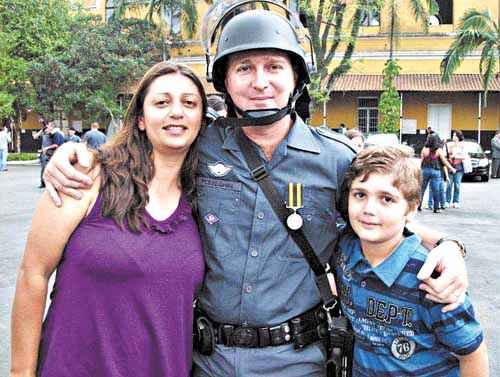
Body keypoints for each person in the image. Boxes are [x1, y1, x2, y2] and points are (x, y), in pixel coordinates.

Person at [43, 2, 468, 375]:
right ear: (225, 82)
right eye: (244, 68)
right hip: (207, 361)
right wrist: (77, 155)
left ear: (295, 78)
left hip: (298, 362)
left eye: (273, 67)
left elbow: (384, 218)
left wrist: (448, 245)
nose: (260, 81)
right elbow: (142, 156)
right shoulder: (199, 146)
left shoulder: (336, 160)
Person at [10, 62, 206, 377]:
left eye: (189, 103)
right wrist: (21, 373)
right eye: (161, 102)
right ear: (141, 119)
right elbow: (33, 275)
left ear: (200, 118)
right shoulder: (85, 177)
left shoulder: (206, 199)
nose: (176, 112)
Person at [334, 146, 488, 376]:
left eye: (386, 199)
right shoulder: (344, 249)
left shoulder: (434, 280)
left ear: (412, 208)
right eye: (360, 194)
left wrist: (451, 246)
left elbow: (472, 354)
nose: (368, 209)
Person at [419, 133, 455, 213]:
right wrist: (452, 168)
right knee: (436, 190)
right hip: (436, 171)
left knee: (422, 189)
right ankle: (436, 208)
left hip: (425, 170)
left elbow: (421, 161)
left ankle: (419, 205)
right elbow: (444, 161)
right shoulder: (438, 150)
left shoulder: (424, 149)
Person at [32, 122, 64, 188]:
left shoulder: (54, 134)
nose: (47, 127)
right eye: (46, 126)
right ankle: (43, 182)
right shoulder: (44, 132)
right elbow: (35, 137)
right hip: (44, 153)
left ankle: (52, 183)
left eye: (48, 126)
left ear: (52, 127)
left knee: (51, 169)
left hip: (50, 153)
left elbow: (56, 144)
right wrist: (42, 130)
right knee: (43, 168)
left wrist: (47, 148)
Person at [446, 130, 466, 208]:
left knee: (457, 185)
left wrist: (456, 155)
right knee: (449, 185)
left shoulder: (463, 145)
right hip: (451, 166)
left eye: (454, 135)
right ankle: (447, 201)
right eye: (453, 135)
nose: (453, 136)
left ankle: (456, 201)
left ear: (458, 137)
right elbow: (448, 155)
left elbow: (464, 156)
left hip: (459, 167)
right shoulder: (450, 145)